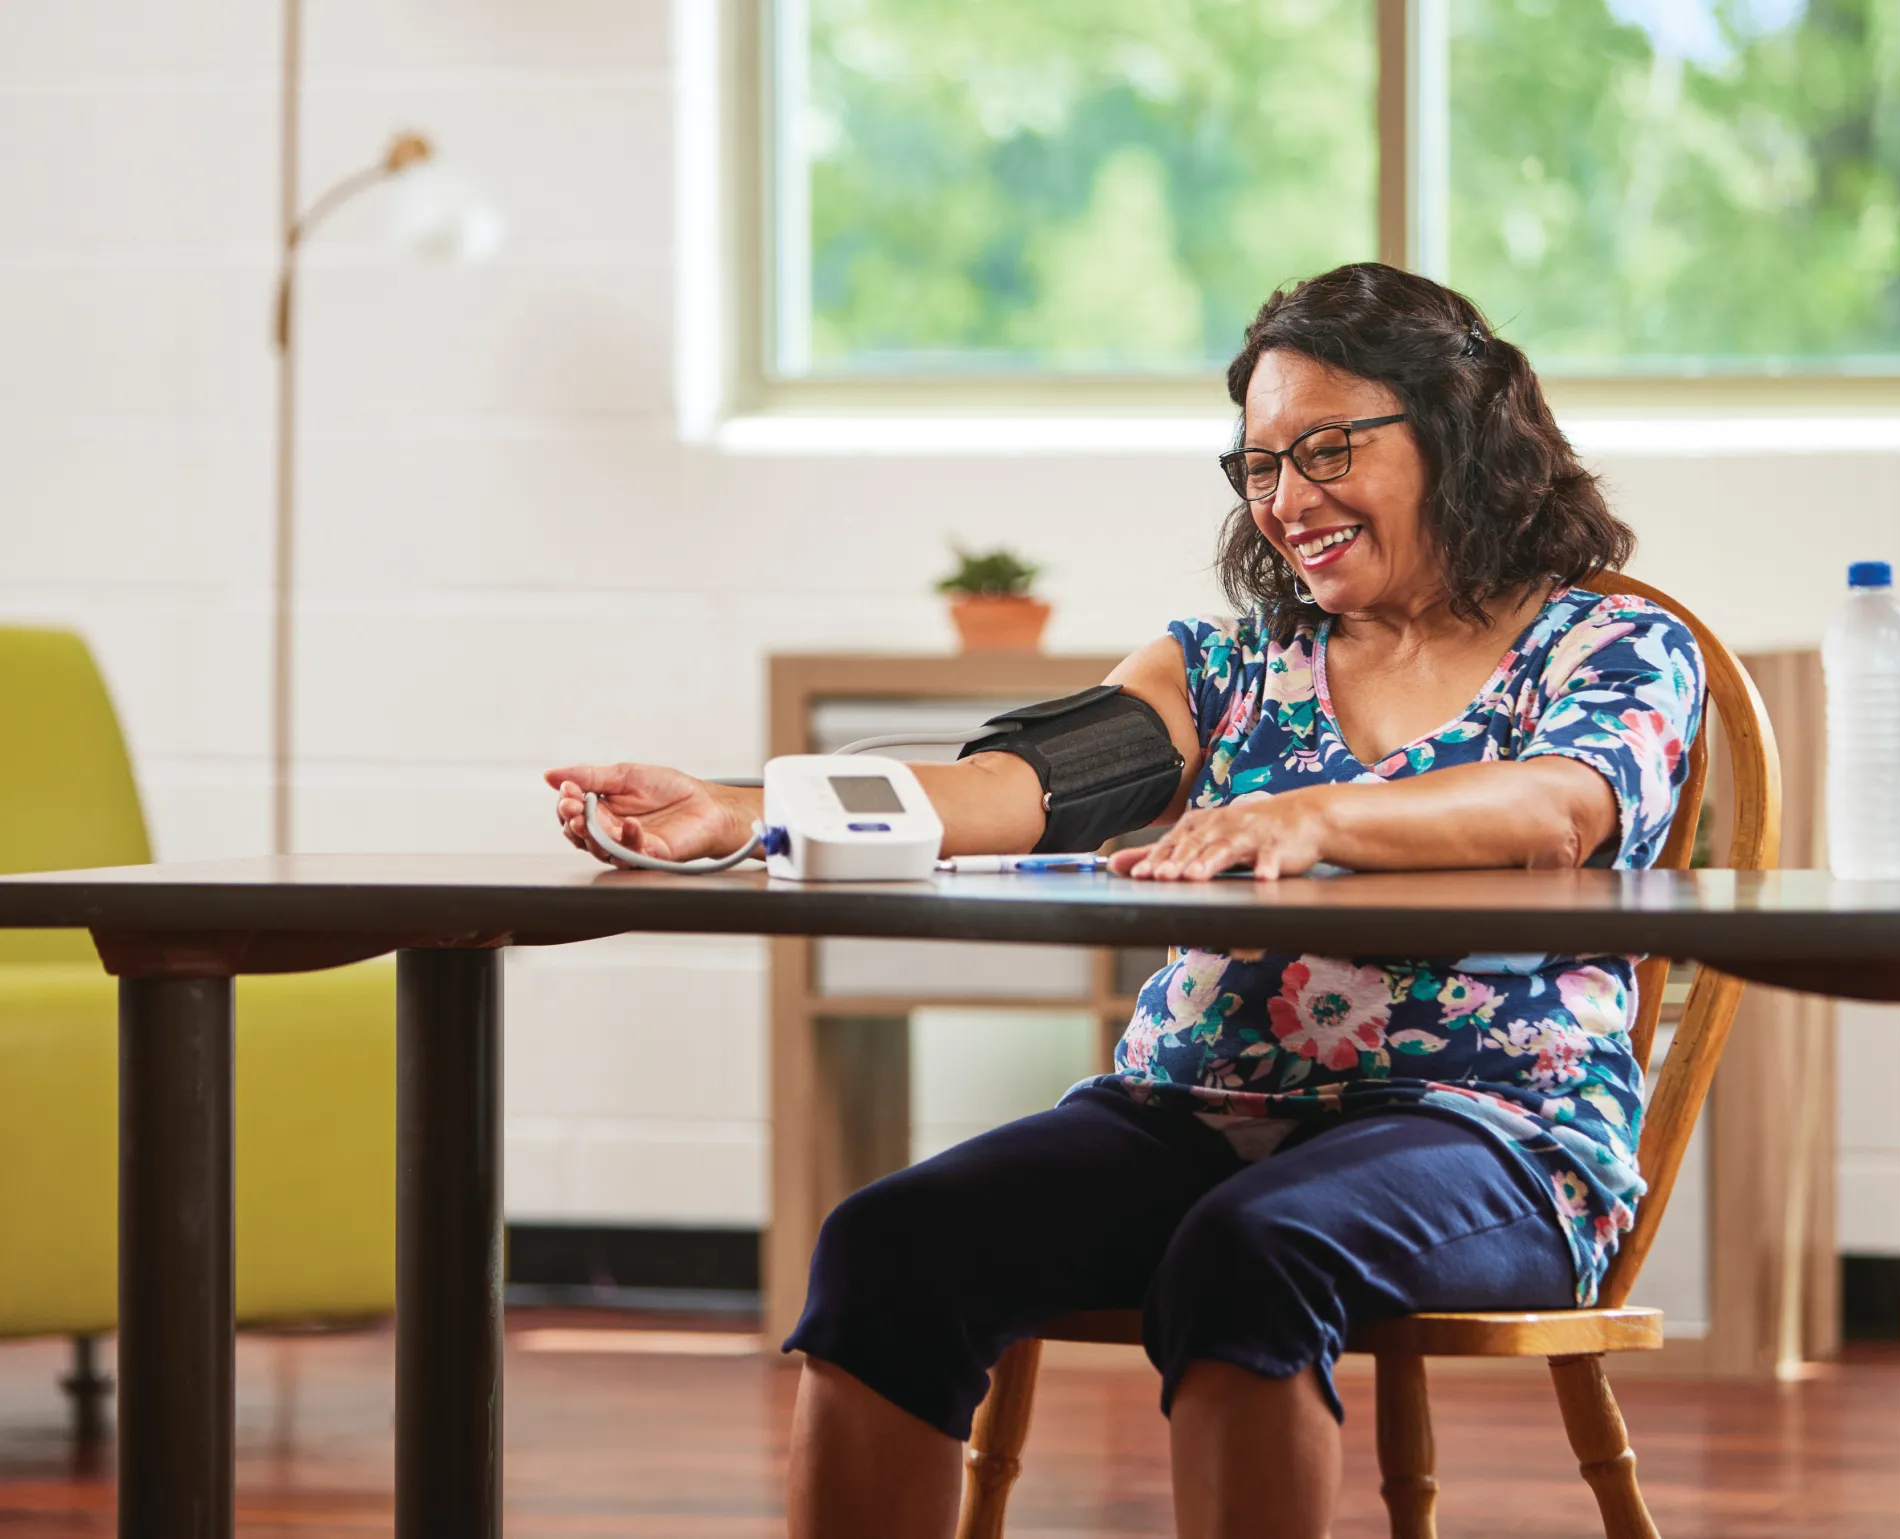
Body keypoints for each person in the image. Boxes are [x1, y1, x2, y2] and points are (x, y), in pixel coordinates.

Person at [547, 262, 1702, 1539]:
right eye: (1259, 466)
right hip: (1188, 1113)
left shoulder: (1605, 645)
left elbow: (1557, 808)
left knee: (1255, 1249)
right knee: (890, 1245)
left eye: (1325, 450)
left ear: (1458, 430)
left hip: (1493, 1134)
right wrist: (750, 807)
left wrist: (1305, 816)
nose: (1287, 500)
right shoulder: (1223, 667)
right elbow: (1021, 785)